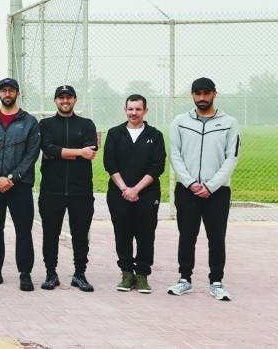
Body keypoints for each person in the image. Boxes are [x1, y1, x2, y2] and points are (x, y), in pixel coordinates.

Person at [168, 77, 240, 301]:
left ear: (214, 94)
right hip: (186, 190)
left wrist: (210, 186)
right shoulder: (180, 121)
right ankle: (184, 279)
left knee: (216, 237)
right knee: (186, 235)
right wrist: (190, 182)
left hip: (217, 192)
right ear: (192, 95)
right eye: (197, 93)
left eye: (206, 93)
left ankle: (216, 282)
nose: (201, 98)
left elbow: (232, 157)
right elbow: (175, 154)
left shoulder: (229, 122)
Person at [0, 78, 40, 292]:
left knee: (24, 229)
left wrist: (12, 177)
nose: (7, 93)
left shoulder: (29, 122)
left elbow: (32, 154)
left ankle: (25, 274)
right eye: (3, 90)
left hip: (20, 185)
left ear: (17, 93)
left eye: (11, 90)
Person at [37, 85, 98, 292]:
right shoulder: (45, 124)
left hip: (80, 190)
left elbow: (90, 151)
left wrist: (61, 153)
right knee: (50, 233)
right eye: (61, 98)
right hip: (51, 190)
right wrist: (78, 152)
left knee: (80, 234)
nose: (65, 101)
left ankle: (79, 274)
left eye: (68, 97)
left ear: (75, 100)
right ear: (55, 101)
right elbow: (47, 149)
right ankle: (50, 273)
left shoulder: (86, 124)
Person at [104, 94, 166, 294]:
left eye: (138, 109)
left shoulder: (155, 135)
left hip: (147, 194)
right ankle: (126, 273)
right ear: (125, 110)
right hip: (118, 193)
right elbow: (110, 164)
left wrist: (136, 189)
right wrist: (124, 189)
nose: (134, 113)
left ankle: (142, 275)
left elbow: (157, 166)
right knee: (122, 233)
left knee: (145, 234)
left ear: (145, 111)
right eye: (130, 109)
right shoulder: (114, 134)